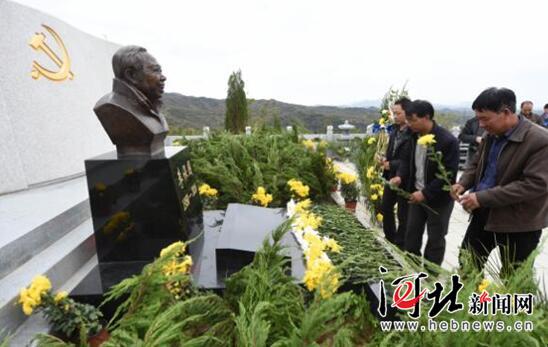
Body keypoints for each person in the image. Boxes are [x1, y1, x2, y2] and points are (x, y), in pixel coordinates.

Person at [452, 87, 548, 277]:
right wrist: (463, 182)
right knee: (468, 265)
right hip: (483, 213)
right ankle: (469, 304)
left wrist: (482, 197)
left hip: (519, 222)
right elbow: (477, 163)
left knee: (514, 278)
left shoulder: (540, 140)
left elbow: (534, 184)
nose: (481, 125)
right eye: (478, 119)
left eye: (485, 119)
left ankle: (514, 307)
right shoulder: (491, 135)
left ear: (506, 113)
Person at [390, 100, 459, 265]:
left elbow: (447, 175)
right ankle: (411, 268)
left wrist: (425, 193)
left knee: (435, 238)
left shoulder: (446, 140)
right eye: (408, 120)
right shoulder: (413, 136)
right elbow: (406, 161)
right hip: (416, 194)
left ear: (427, 117)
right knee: (411, 234)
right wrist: (400, 176)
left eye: (413, 120)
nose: (409, 124)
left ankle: (430, 275)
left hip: (438, 199)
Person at [94, 45, 169, 157]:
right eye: (155, 71)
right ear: (131, 75)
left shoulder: (152, 104)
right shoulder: (110, 107)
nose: (163, 77)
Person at [380, 97, 413, 249]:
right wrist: (384, 160)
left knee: (403, 215)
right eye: (394, 113)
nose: (395, 116)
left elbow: (409, 160)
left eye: (398, 113)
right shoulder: (394, 129)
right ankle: (390, 239)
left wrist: (390, 164)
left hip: (405, 179)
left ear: (408, 112)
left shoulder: (413, 133)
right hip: (391, 176)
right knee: (385, 207)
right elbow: (391, 151)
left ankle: (400, 246)